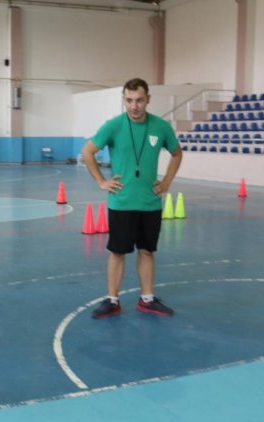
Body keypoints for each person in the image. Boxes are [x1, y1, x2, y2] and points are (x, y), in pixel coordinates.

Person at [82, 77, 183, 320]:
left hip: (150, 202)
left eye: (139, 100)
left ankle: (147, 299)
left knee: (147, 250)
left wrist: (167, 182)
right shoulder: (114, 125)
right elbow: (88, 152)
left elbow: (177, 154)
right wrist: (101, 181)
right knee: (117, 252)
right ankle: (112, 300)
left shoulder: (161, 127)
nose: (134, 106)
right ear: (124, 100)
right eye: (129, 100)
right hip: (122, 202)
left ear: (148, 99)